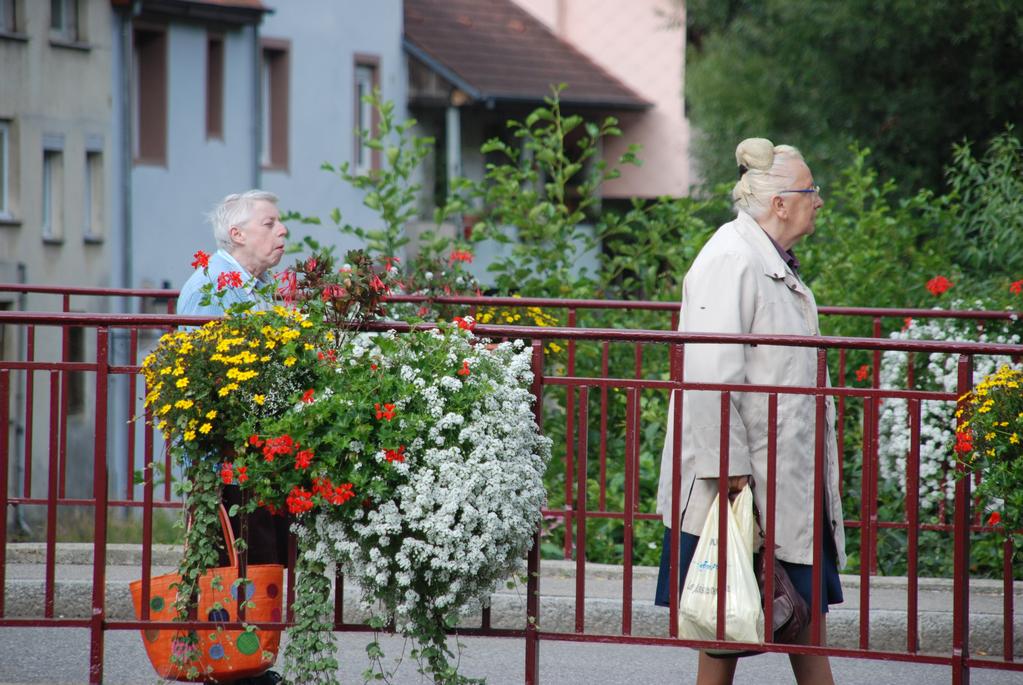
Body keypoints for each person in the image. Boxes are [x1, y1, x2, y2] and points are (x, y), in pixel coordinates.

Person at [653, 139, 846, 684]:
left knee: (775, 625)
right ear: (781, 203)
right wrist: (731, 476)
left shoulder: (764, 257)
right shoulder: (732, 256)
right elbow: (709, 374)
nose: (819, 201)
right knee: (731, 624)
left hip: (776, 480)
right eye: (811, 191)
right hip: (744, 484)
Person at [176, 190, 290, 685]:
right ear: (238, 234)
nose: (282, 231)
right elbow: (214, 384)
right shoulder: (213, 288)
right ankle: (228, 667)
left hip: (255, 449)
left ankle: (244, 663)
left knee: (258, 556)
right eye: (270, 223)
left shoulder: (251, 286)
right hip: (226, 454)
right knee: (233, 559)